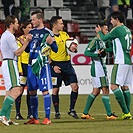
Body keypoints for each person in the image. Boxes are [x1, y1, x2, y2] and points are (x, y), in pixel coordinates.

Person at [96, 11, 132, 120]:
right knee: (125, 87)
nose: (111, 22)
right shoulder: (127, 30)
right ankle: (128, 112)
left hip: (120, 61)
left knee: (114, 86)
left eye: (112, 19)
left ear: (116, 19)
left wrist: (99, 32)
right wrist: (106, 50)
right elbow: (115, 44)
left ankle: (126, 112)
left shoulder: (117, 29)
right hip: (128, 62)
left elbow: (104, 38)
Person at [24, 10, 58, 125]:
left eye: (33, 19)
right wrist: (26, 42)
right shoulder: (31, 32)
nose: (32, 22)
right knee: (32, 91)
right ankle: (35, 118)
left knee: (44, 91)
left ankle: (47, 118)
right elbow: (28, 50)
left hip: (42, 65)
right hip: (31, 65)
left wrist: (51, 43)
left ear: (40, 19)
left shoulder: (47, 32)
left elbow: (55, 49)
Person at [81, 22, 117, 120]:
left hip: (101, 68)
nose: (107, 31)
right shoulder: (95, 41)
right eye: (105, 29)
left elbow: (112, 48)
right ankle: (109, 114)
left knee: (96, 91)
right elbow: (86, 52)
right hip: (98, 69)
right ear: (100, 30)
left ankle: (85, 113)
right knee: (105, 89)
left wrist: (105, 51)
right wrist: (97, 55)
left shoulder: (104, 41)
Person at [0, 15, 32, 126]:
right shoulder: (9, 36)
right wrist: (27, 42)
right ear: (11, 24)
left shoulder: (5, 35)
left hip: (7, 62)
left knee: (9, 91)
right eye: (16, 22)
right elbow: (17, 52)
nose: (18, 24)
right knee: (17, 89)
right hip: (10, 62)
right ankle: (2, 114)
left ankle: (7, 117)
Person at [49, 16, 79, 119]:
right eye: (61, 23)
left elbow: (70, 47)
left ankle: (71, 109)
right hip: (55, 65)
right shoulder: (49, 37)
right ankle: (57, 112)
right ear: (54, 25)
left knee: (75, 87)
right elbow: (45, 54)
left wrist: (73, 49)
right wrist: (53, 66)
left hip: (67, 64)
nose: (63, 25)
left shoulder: (65, 34)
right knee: (55, 90)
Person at [15, 21, 32, 120]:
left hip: (31, 66)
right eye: (28, 27)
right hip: (23, 66)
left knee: (30, 90)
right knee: (20, 90)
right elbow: (19, 56)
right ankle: (17, 113)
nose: (30, 29)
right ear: (23, 29)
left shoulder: (32, 40)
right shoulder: (20, 40)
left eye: (31, 27)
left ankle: (30, 113)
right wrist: (20, 69)